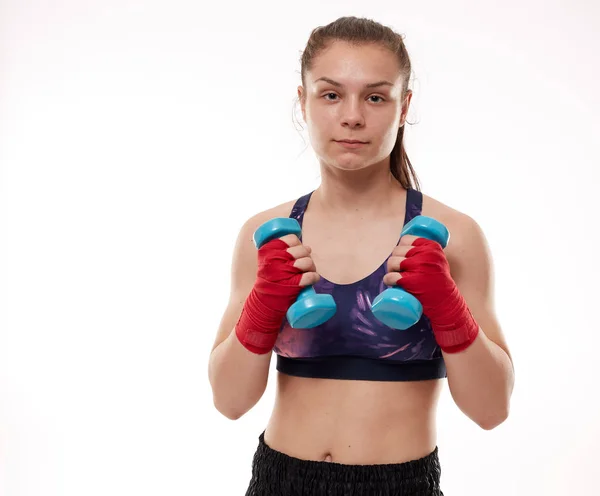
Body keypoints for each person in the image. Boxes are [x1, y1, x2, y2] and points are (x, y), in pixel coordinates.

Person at [208, 16, 515, 496]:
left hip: (401, 484)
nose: (352, 116)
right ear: (303, 102)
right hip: (279, 480)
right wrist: (262, 307)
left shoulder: (452, 237)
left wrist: (447, 305)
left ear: (403, 106)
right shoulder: (267, 237)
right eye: (331, 94)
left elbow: (492, 411)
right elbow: (229, 401)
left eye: (375, 96)